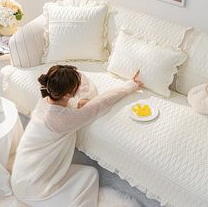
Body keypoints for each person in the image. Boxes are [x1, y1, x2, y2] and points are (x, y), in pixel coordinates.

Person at [11, 64, 142, 207]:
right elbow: (101, 103)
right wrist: (131, 85)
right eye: (77, 88)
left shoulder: (46, 96)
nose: (80, 87)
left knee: (85, 176)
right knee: (90, 175)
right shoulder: (63, 119)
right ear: (67, 94)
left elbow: (80, 76)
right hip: (34, 188)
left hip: (20, 177)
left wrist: (83, 98)